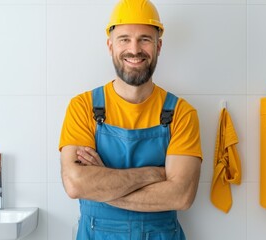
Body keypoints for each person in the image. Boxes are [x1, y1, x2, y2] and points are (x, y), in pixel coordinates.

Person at [59, 0, 203, 239]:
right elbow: (75, 185)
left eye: (145, 39)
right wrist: (152, 174)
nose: (134, 49)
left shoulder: (181, 113)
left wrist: (101, 185)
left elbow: (181, 196)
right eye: (124, 39)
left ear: (158, 46)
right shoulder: (82, 107)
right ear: (110, 46)